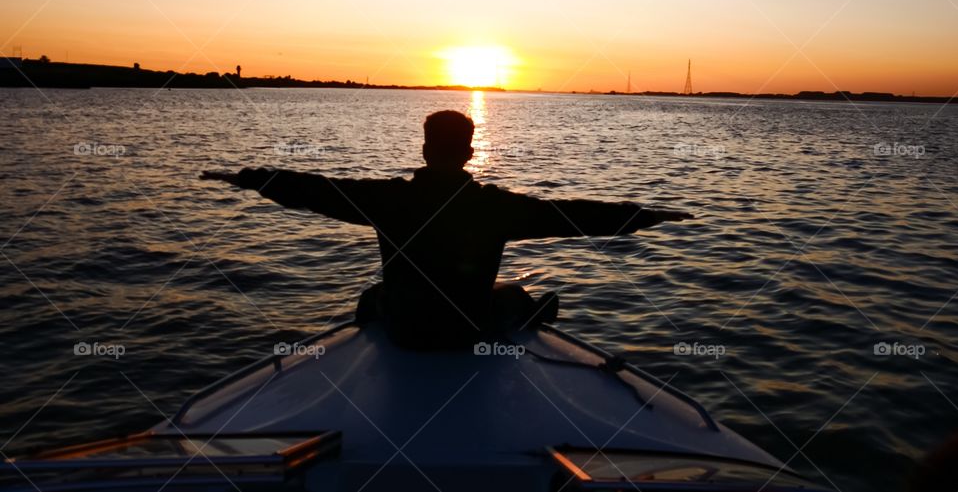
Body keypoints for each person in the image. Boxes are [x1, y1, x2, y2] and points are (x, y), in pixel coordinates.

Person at [201, 110, 691, 349]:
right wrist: (645, 214)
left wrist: (246, 178)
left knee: (375, 294)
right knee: (515, 295)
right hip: (467, 330)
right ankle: (535, 312)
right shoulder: (496, 208)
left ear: (424, 150)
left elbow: (313, 189)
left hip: (406, 328)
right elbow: (573, 215)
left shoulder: (387, 199)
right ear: (469, 153)